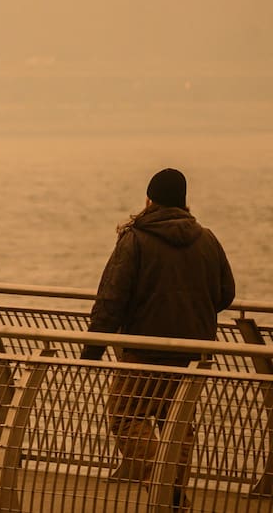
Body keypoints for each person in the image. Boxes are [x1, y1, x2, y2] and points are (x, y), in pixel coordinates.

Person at [81, 168, 235, 510]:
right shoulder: (208, 239)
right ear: (183, 201)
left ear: (149, 200)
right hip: (194, 353)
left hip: (144, 352)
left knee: (125, 417)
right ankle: (172, 496)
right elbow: (226, 294)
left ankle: (168, 491)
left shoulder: (135, 239)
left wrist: (93, 347)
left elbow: (111, 299)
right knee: (177, 424)